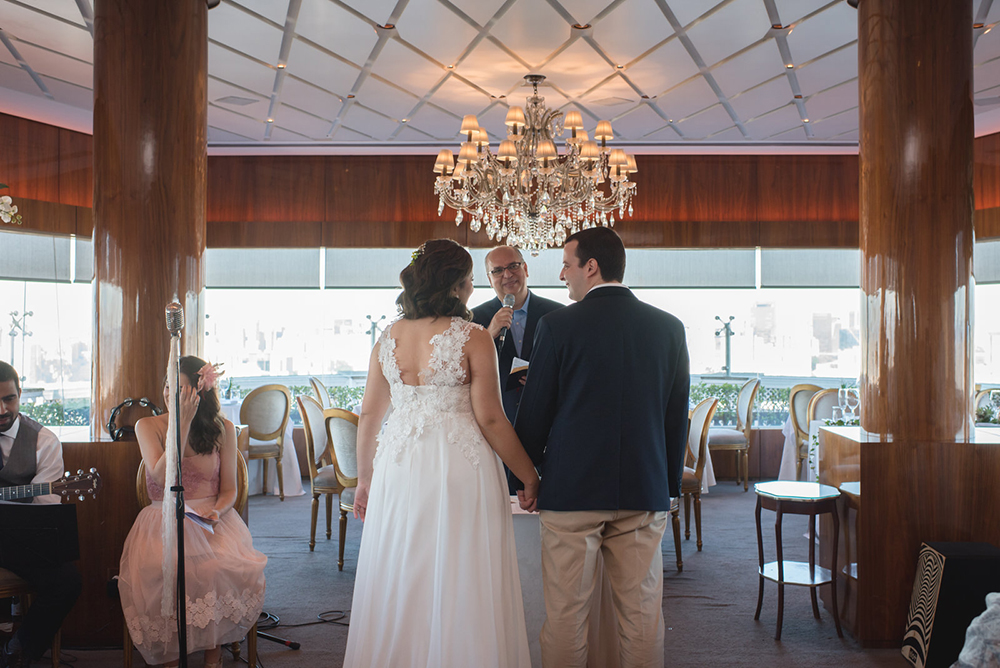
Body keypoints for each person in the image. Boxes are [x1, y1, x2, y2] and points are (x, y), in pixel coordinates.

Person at [343, 238, 540, 667]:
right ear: (455, 284)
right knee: (461, 569)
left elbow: (370, 415)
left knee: (403, 563)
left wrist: (364, 479)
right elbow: (491, 419)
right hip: (458, 464)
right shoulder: (473, 337)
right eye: (469, 280)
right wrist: (529, 474)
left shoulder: (387, 338)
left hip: (398, 465)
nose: (472, 288)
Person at [513, 227, 690, 668]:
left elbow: (535, 413)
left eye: (566, 265)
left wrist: (525, 478)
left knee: (566, 616)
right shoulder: (669, 328)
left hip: (571, 492)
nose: (562, 275)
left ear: (590, 267)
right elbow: (675, 416)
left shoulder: (556, 326)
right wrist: (668, 485)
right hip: (644, 490)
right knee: (642, 615)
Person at [118, 356, 266, 668]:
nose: (170, 394)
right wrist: (181, 424)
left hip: (210, 520)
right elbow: (162, 476)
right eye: (167, 386)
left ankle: (213, 655)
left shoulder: (223, 429)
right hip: (161, 521)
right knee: (164, 571)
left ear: (200, 393)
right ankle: (170, 657)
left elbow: (229, 489)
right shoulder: (147, 426)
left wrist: (218, 512)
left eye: (181, 390)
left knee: (214, 568)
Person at [0, 362, 81, 668]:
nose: (2, 409)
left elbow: (45, 506)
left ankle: (17, 650)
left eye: (9, 399)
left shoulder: (43, 441)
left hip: (19, 542)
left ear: (20, 394)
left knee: (67, 581)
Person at [471, 245, 563, 423]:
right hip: (496, 419)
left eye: (513, 266)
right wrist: (489, 334)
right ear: (489, 279)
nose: (507, 275)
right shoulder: (474, 319)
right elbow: (466, 371)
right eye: (498, 270)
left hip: (548, 417)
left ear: (525, 269)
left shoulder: (557, 314)